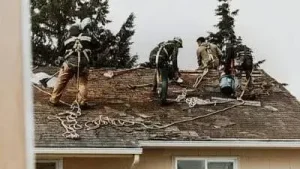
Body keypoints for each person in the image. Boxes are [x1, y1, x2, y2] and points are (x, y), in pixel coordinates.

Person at [48, 24, 100, 109]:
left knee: (61, 81)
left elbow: (60, 52)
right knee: (82, 83)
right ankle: (82, 102)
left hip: (69, 63)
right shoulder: (87, 37)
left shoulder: (67, 39)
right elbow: (98, 46)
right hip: (83, 64)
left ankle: (53, 100)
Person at [149, 37, 183, 104]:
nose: (178, 47)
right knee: (165, 78)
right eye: (179, 46)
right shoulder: (174, 46)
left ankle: (154, 88)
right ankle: (163, 99)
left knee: (158, 68)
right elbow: (174, 60)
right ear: (177, 43)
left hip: (152, 58)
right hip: (161, 59)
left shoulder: (165, 44)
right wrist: (175, 71)